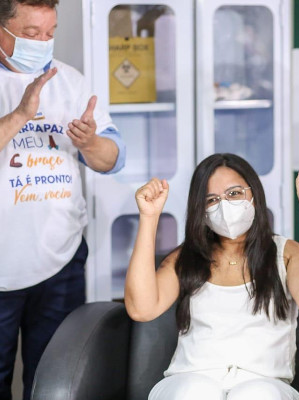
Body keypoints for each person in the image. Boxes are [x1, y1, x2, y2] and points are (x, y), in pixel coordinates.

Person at [125, 153, 299, 400]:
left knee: (256, 395)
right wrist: (149, 218)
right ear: (200, 209)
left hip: (266, 383)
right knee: (197, 392)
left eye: (234, 193)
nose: (224, 205)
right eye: (212, 200)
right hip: (188, 380)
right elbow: (141, 309)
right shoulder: (186, 257)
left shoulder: (286, 253)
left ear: (254, 195)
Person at [0, 1, 125, 399]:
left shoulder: (70, 82)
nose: (43, 42)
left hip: (61, 261)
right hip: (2, 266)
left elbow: (113, 159)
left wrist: (91, 143)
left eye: (49, 32)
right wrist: (20, 114)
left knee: (55, 381)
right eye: (31, 34)